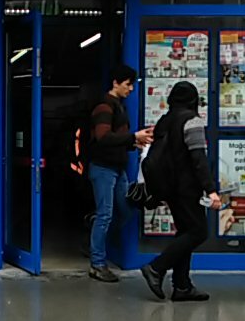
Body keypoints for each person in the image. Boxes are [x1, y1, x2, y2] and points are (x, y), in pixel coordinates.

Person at [140, 81, 220, 302]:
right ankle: (156, 268)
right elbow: (198, 159)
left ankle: (182, 286)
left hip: (169, 187)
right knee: (198, 232)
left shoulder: (165, 120)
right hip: (187, 188)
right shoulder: (191, 121)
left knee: (185, 232)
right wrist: (211, 190)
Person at [88, 64, 154, 283]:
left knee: (124, 211)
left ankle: (95, 236)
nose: (131, 89)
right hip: (103, 168)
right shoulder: (104, 106)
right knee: (106, 214)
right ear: (115, 83)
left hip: (117, 168)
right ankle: (97, 263)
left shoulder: (118, 106)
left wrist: (132, 143)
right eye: (128, 84)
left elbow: (114, 139)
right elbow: (103, 137)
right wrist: (133, 137)